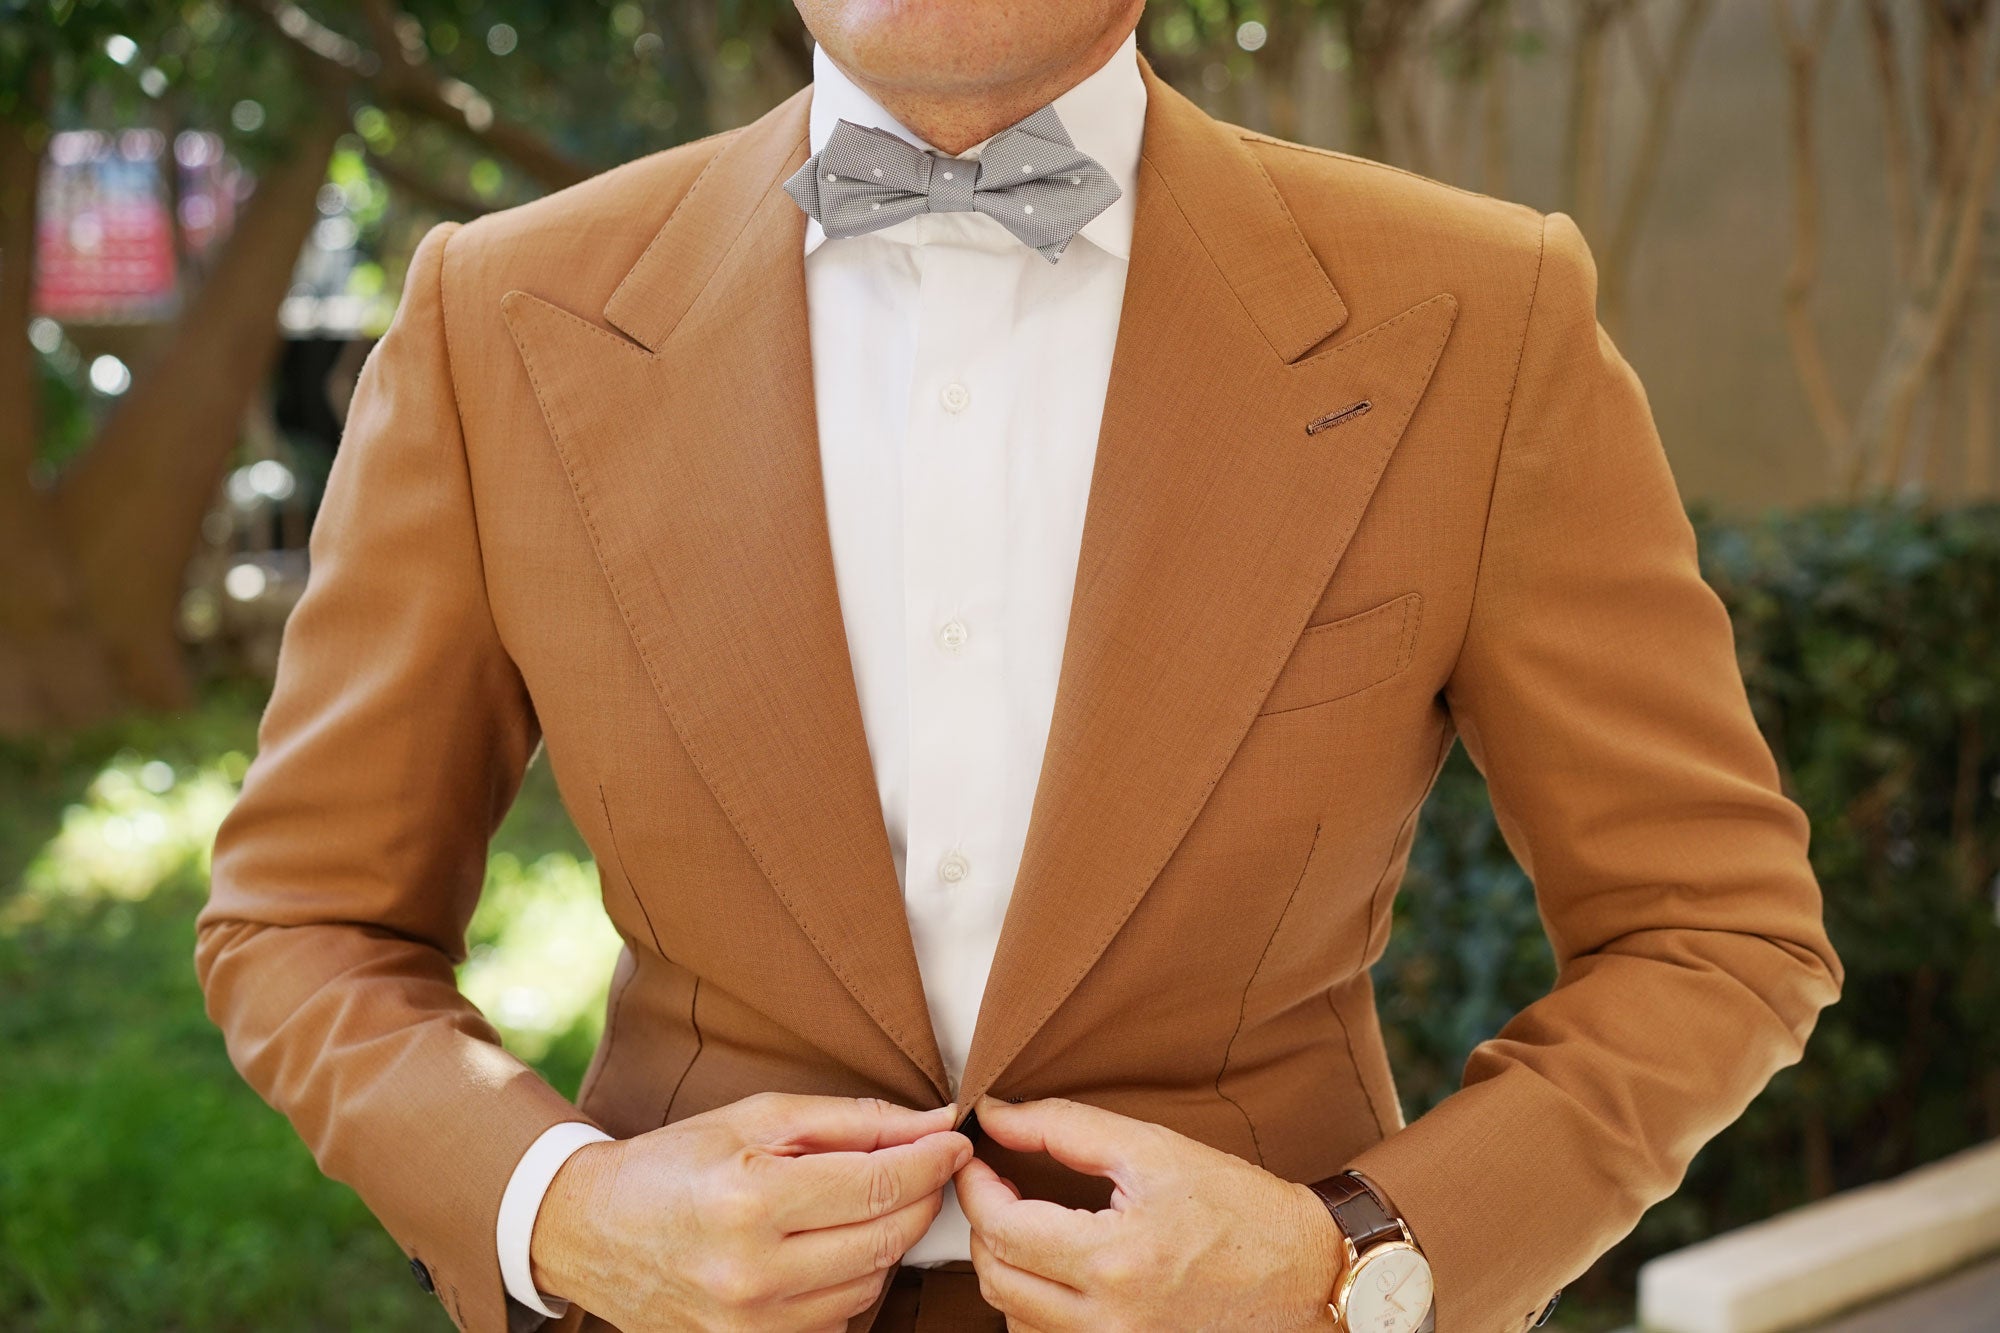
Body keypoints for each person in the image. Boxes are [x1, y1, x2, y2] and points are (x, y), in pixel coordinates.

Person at [196, 2, 1843, 1330]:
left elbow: (1715, 930)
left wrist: (1359, 1261)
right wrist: (558, 1207)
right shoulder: (498, 320)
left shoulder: (1481, 316)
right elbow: (305, 922)